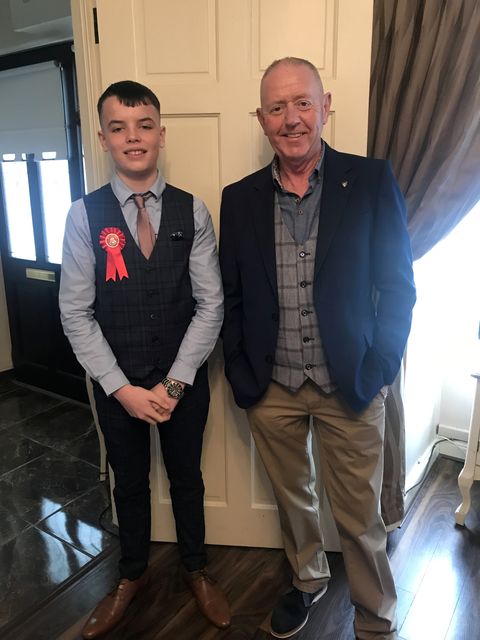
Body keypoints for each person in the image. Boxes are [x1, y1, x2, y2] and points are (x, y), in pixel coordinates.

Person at [219, 57, 416, 640]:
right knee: (293, 502)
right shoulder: (239, 198)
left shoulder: (372, 181)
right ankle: (307, 582)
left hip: (350, 382)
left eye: (302, 103)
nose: (291, 119)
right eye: (276, 108)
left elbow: (398, 285)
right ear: (262, 120)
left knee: (360, 519)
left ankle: (375, 619)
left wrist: (380, 365)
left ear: (325, 105)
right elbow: (231, 294)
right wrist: (239, 370)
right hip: (271, 387)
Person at [60, 80, 230, 639]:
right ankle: (130, 575)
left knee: (187, 478)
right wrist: (121, 388)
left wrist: (178, 382)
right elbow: (76, 313)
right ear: (105, 138)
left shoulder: (193, 211)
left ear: (161, 133)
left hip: (184, 383)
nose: (133, 138)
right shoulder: (84, 217)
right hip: (118, 386)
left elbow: (211, 304)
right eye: (119, 127)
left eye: (144, 125)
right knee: (128, 483)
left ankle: (196, 568)